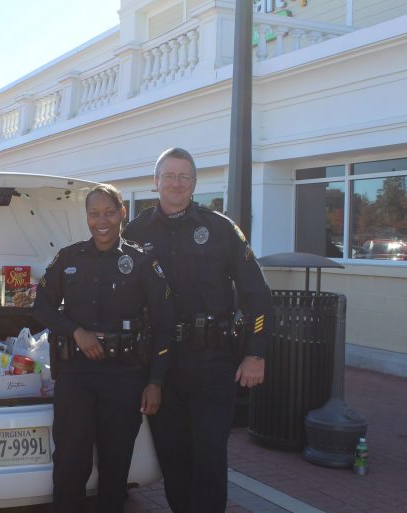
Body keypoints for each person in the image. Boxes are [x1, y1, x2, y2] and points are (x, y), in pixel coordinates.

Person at [123, 147, 273, 513]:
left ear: (194, 184)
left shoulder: (220, 228)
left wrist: (256, 353)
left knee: (208, 455)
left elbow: (257, 294)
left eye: (184, 176)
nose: (176, 183)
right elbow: (118, 294)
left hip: (211, 362)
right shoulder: (136, 230)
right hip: (159, 365)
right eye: (169, 176)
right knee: (173, 456)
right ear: (155, 181)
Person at [33, 183, 173, 513]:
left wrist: (156, 381)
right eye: (94, 214)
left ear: (123, 213)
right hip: (77, 375)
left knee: (115, 466)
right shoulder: (68, 258)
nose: (102, 221)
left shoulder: (141, 261)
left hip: (125, 377)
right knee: (70, 463)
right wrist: (76, 331)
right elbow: (41, 306)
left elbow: (165, 324)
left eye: (109, 212)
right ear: (87, 217)